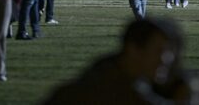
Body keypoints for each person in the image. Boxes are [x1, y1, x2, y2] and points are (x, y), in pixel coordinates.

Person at [43, 18, 183, 105]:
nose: (167, 59)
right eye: (159, 51)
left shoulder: (105, 73)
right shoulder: (108, 89)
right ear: (133, 49)